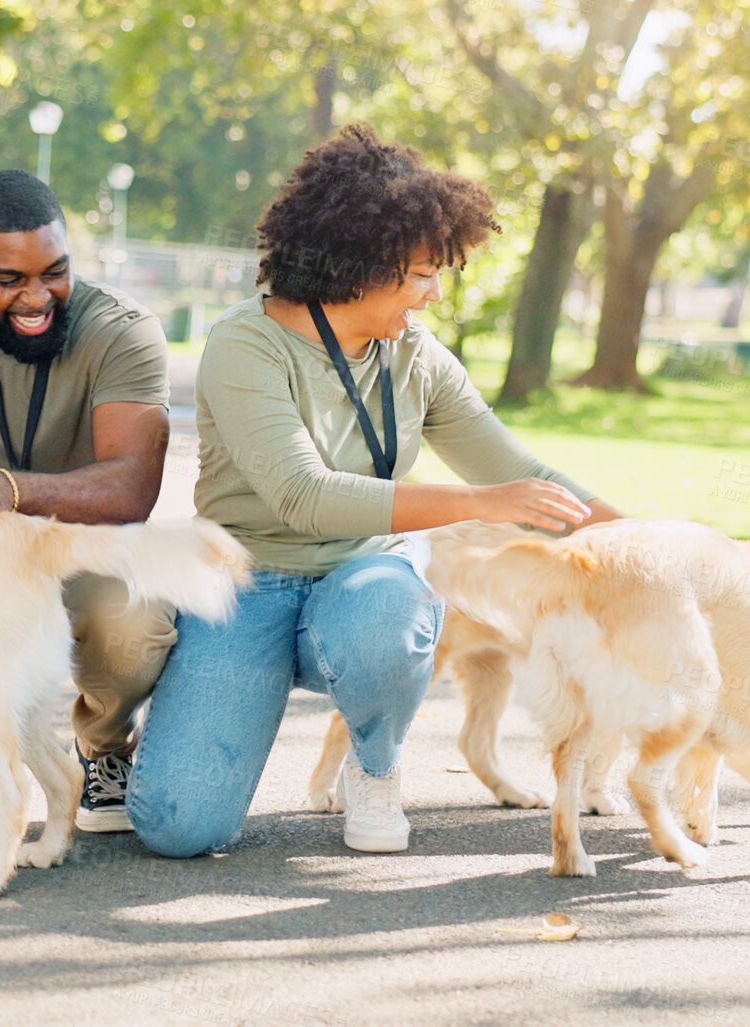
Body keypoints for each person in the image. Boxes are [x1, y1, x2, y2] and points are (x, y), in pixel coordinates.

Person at [126, 126, 625, 858]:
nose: (431, 294)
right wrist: (479, 502)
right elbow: (304, 495)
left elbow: (523, 475)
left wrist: (665, 547)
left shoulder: (414, 353)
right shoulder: (246, 344)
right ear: (360, 262)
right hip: (248, 581)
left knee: (392, 601)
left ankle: (375, 764)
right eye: (421, 273)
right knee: (178, 828)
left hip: (362, 582)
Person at [0, 169, 173, 834]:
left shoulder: (124, 332)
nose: (36, 296)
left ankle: (102, 746)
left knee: (132, 613)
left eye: (54, 270)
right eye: (7, 279)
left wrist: (8, 487)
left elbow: (130, 491)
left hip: (85, 549)